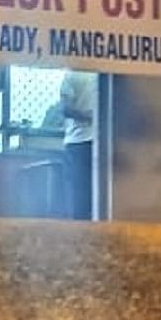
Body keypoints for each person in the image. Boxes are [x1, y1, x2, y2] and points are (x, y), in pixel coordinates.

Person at [59, 70, 98, 220]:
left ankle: (82, 231)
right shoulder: (103, 74)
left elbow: (65, 108)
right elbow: (65, 109)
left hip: (78, 141)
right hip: (91, 140)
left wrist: (87, 116)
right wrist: (92, 117)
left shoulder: (72, 74)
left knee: (80, 194)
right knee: (91, 194)